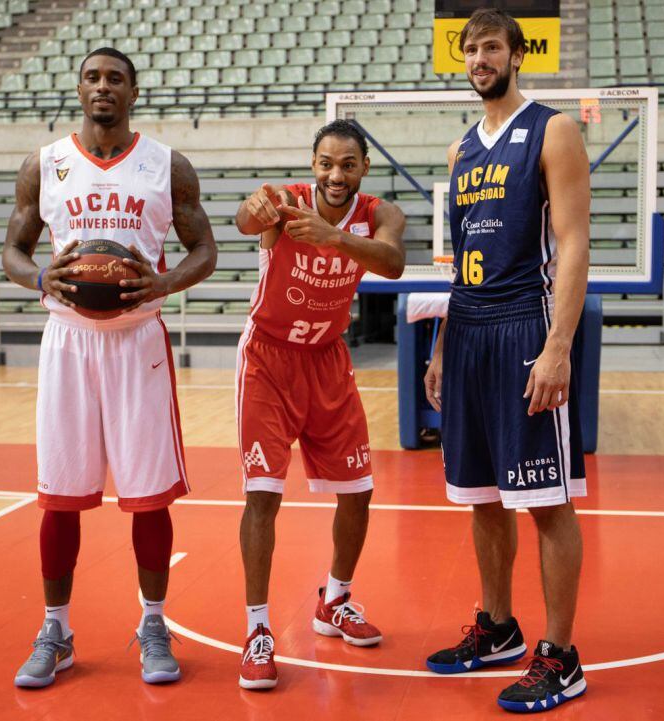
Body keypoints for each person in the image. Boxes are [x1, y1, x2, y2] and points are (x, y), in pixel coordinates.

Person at [1, 47, 217, 688]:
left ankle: (154, 623)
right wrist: (41, 275)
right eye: (93, 77)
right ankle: (57, 630)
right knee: (59, 497)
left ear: (134, 91)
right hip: (67, 342)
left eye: (115, 79)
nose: (104, 87)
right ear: (78, 89)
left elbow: (203, 247)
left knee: (148, 497)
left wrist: (163, 284)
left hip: (137, 344)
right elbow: (13, 250)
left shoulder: (165, 165)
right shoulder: (44, 165)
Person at [422, 9, 592, 714]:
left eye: (491, 47)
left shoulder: (552, 129)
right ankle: (497, 627)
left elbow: (576, 241)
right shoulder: (464, 150)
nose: (479, 58)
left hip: (527, 325)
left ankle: (560, 656)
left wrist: (558, 346)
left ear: (518, 55)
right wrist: (440, 343)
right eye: (470, 50)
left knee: (544, 498)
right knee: (482, 495)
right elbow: (461, 261)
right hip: (469, 331)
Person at [231, 120, 407, 690]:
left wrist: (334, 239)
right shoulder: (286, 203)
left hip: (327, 359)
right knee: (263, 494)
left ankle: (335, 599)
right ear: (313, 164)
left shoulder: (382, 214)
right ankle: (258, 629)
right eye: (326, 163)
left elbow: (392, 262)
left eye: (348, 164)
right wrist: (257, 208)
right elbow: (242, 220)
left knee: (359, 492)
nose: (336, 174)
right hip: (269, 359)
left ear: (364, 169)